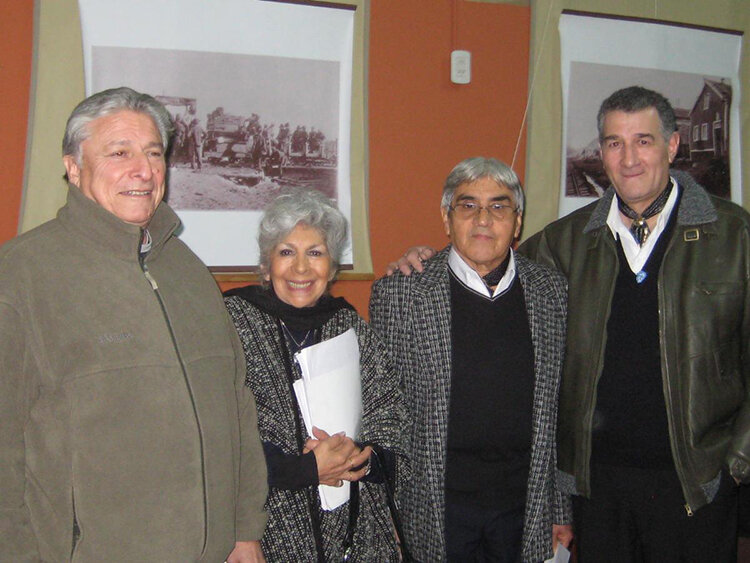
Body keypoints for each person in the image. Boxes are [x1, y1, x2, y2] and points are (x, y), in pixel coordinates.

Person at [389, 86, 750, 562]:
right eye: (614, 143)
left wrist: (735, 462)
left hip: (696, 483)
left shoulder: (735, 236)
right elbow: (485, 250)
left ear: (673, 146)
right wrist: (424, 260)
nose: (629, 159)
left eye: (643, 140)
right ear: (601, 152)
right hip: (597, 489)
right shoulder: (567, 243)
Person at [0, 87, 267, 562]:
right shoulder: (20, 275)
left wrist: (244, 529)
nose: (143, 170)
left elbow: (237, 403)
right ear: (74, 166)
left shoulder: (187, 269)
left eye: (153, 153)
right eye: (119, 152)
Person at [370, 157, 572, 562]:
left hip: (523, 501)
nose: (483, 219)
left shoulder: (552, 292)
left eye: (499, 206)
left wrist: (560, 508)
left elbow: (560, 410)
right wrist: (385, 510)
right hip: (436, 504)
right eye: (468, 206)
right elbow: (383, 414)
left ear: (517, 223)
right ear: (446, 218)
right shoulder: (401, 293)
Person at [224, 188, 408, 561]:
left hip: (352, 529)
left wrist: (360, 458)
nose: (302, 269)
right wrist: (304, 469)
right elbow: (217, 434)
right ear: (266, 265)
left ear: (333, 266)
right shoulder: (231, 322)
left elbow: (390, 415)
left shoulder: (350, 326)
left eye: (315, 253)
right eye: (287, 252)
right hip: (264, 528)